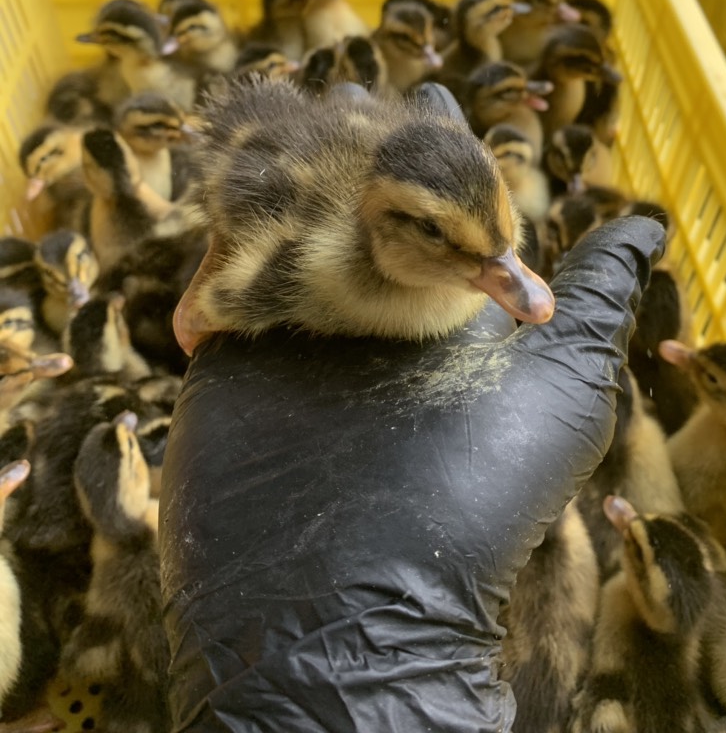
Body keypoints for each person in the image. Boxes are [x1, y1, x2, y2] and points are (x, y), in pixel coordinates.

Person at [159, 90, 664, 733]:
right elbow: (222, 298)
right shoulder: (322, 264)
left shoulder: (473, 248)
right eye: (439, 235)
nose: (526, 290)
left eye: (503, 246)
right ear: (388, 226)